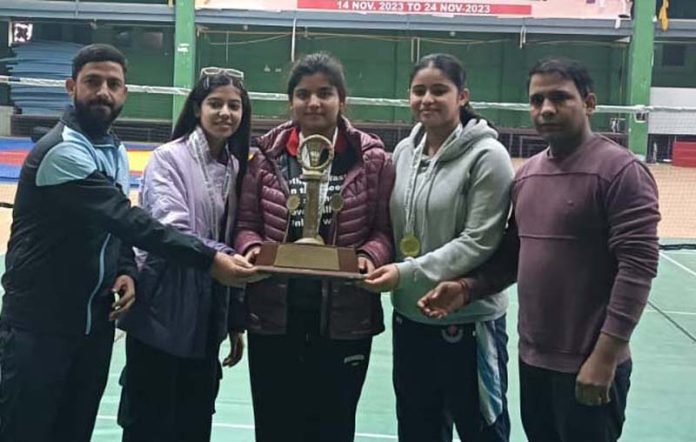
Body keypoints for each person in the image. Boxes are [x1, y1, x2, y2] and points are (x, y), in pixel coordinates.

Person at [0, 44, 256, 442]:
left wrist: (124, 269)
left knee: (73, 431)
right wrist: (209, 260)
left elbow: (115, 229)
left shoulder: (114, 149)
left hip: (94, 326)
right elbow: (129, 220)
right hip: (40, 326)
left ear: (125, 93)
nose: (103, 91)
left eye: (113, 84)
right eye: (93, 82)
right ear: (71, 87)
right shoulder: (61, 152)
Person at [418, 58, 661, 442]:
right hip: (533, 362)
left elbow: (638, 268)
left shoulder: (621, 172)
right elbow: (512, 258)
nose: (546, 109)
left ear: (590, 103)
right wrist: (466, 288)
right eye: (537, 100)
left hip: (590, 365)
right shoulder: (528, 175)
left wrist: (605, 357)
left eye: (560, 98)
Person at [234, 52, 394, 442]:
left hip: (344, 318)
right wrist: (253, 249)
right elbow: (246, 224)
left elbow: (383, 232)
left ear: (343, 99)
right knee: (274, 426)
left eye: (325, 93)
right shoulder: (265, 157)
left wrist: (366, 258)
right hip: (274, 315)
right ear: (291, 102)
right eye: (303, 94)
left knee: (334, 426)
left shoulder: (373, 160)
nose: (314, 103)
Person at [363, 53, 514, 441]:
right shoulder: (403, 153)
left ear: (462, 96)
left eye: (439, 90)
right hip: (410, 319)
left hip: (468, 323)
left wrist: (405, 272)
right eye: (419, 91)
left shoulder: (488, 157)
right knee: (417, 430)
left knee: (482, 431)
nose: (427, 99)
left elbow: (479, 240)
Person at [116, 70, 252, 441]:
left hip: (207, 323)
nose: (225, 112)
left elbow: (237, 237)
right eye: (215, 103)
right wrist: (222, 260)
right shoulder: (167, 158)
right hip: (161, 318)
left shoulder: (237, 169)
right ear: (197, 109)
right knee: (149, 425)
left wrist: (235, 317)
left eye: (234, 105)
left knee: (194, 425)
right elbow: (171, 228)